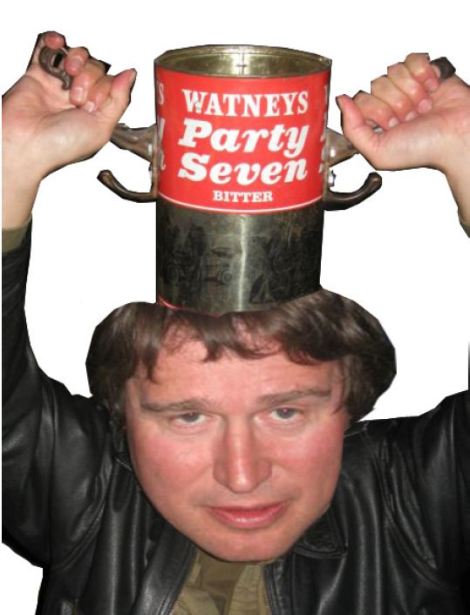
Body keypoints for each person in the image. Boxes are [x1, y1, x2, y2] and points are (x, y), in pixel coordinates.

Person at [3, 32, 469, 614]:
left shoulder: (413, 506)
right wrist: (8, 166)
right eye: (189, 417)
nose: (243, 477)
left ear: (349, 402)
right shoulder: (87, 497)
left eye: (285, 411)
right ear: (121, 417)